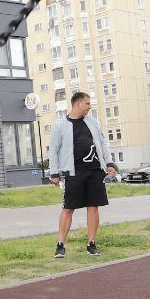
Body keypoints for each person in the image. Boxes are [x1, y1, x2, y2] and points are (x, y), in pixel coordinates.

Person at [47, 91, 110, 258]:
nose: (90, 107)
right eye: (88, 104)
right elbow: (53, 151)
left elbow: (103, 144)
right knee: (68, 208)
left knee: (93, 207)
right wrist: (54, 173)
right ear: (78, 104)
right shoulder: (60, 125)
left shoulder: (92, 122)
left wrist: (109, 163)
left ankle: (91, 244)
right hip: (73, 173)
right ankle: (60, 245)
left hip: (95, 171)